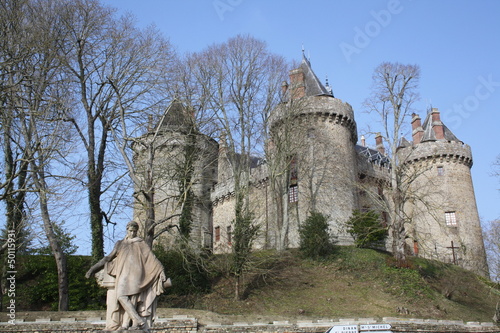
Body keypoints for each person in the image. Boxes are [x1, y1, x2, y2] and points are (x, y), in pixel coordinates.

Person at [86, 221, 170, 330]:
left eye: (134, 231)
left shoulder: (141, 243)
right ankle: (138, 320)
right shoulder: (120, 244)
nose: (133, 233)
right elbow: (108, 258)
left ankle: (126, 324)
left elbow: (152, 258)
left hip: (137, 274)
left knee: (133, 299)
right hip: (123, 274)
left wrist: (161, 271)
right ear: (127, 230)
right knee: (121, 296)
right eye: (131, 231)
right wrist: (92, 269)